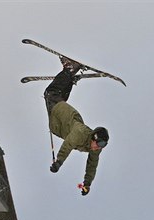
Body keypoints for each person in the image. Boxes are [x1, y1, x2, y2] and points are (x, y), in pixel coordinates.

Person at [45, 58, 109, 196]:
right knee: (50, 93)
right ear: (94, 138)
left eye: (102, 145)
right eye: (99, 143)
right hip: (59, 111)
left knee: (59, 94)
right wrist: (59, 162)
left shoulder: (95, 147)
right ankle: (69, 70)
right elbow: (67, 145)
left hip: (64, 120)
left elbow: (92, 165)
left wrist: (87, 183)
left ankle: (70, 76)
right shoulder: (80, 133)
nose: (98, 148)